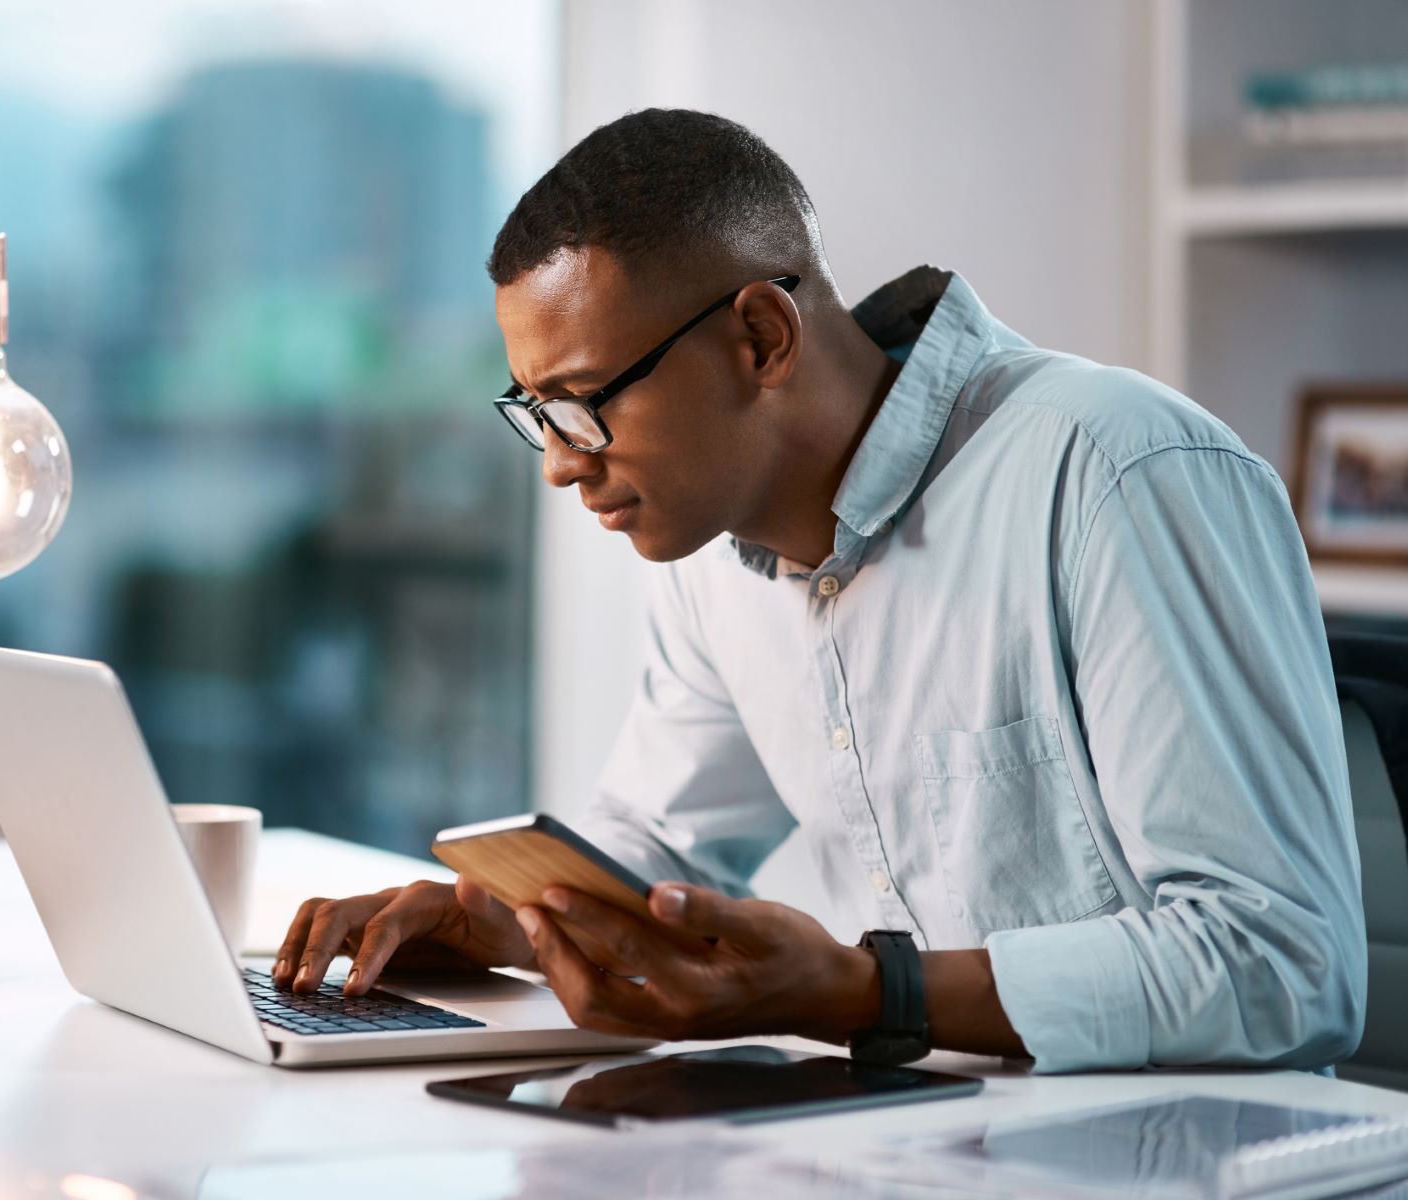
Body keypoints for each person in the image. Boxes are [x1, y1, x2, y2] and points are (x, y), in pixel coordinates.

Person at [272, 109, 1365, 1072]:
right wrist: (499, 921)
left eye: (583, 402)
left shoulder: (1116, 475)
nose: (560, 461)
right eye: (536, 412)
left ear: (760, 337)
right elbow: (661, 852)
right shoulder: (712, 551)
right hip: (896, 1142)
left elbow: (1285, 964)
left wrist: (863, 992)